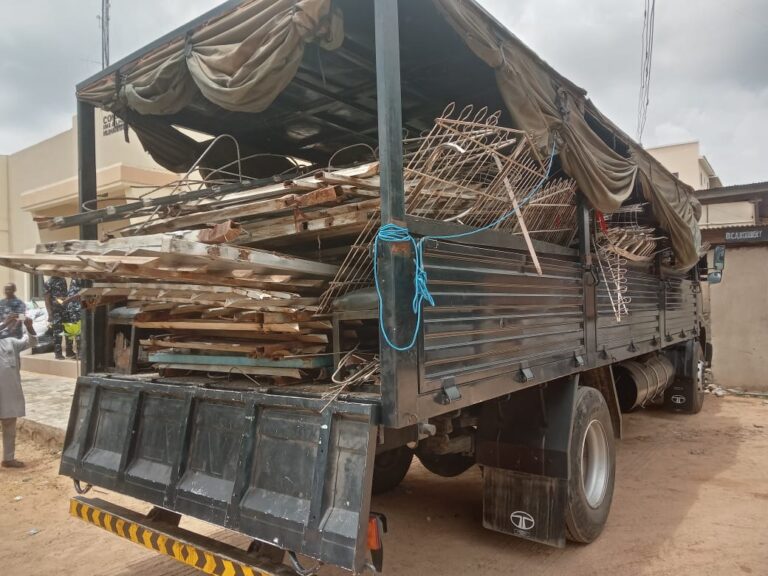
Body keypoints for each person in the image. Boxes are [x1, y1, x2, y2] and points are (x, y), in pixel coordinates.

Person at [0, 314, 37, 468]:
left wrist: (29, 326)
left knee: (9, 424)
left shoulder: (10, 342)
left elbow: (32, 342)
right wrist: (4, 324)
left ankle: (8, 459)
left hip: (9, 392)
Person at [44, 276, 67, 360]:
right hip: (55, 311)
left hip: (65, 309)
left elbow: (65, 294)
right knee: (57, 332)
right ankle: (58, 353)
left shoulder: (63, 279)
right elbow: (47, 299)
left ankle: (69, 351)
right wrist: (50, 314)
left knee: (68, 330)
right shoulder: (48, 282)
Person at [62, 278, 83, 359]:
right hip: (71, 309)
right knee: (71, 331)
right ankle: (72, 352)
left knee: (79, 332)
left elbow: (81, 293)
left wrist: (68, 300)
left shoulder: (81, 277)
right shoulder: (73, 278)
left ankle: (80, 353)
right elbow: (71, 292)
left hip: (78, 309)